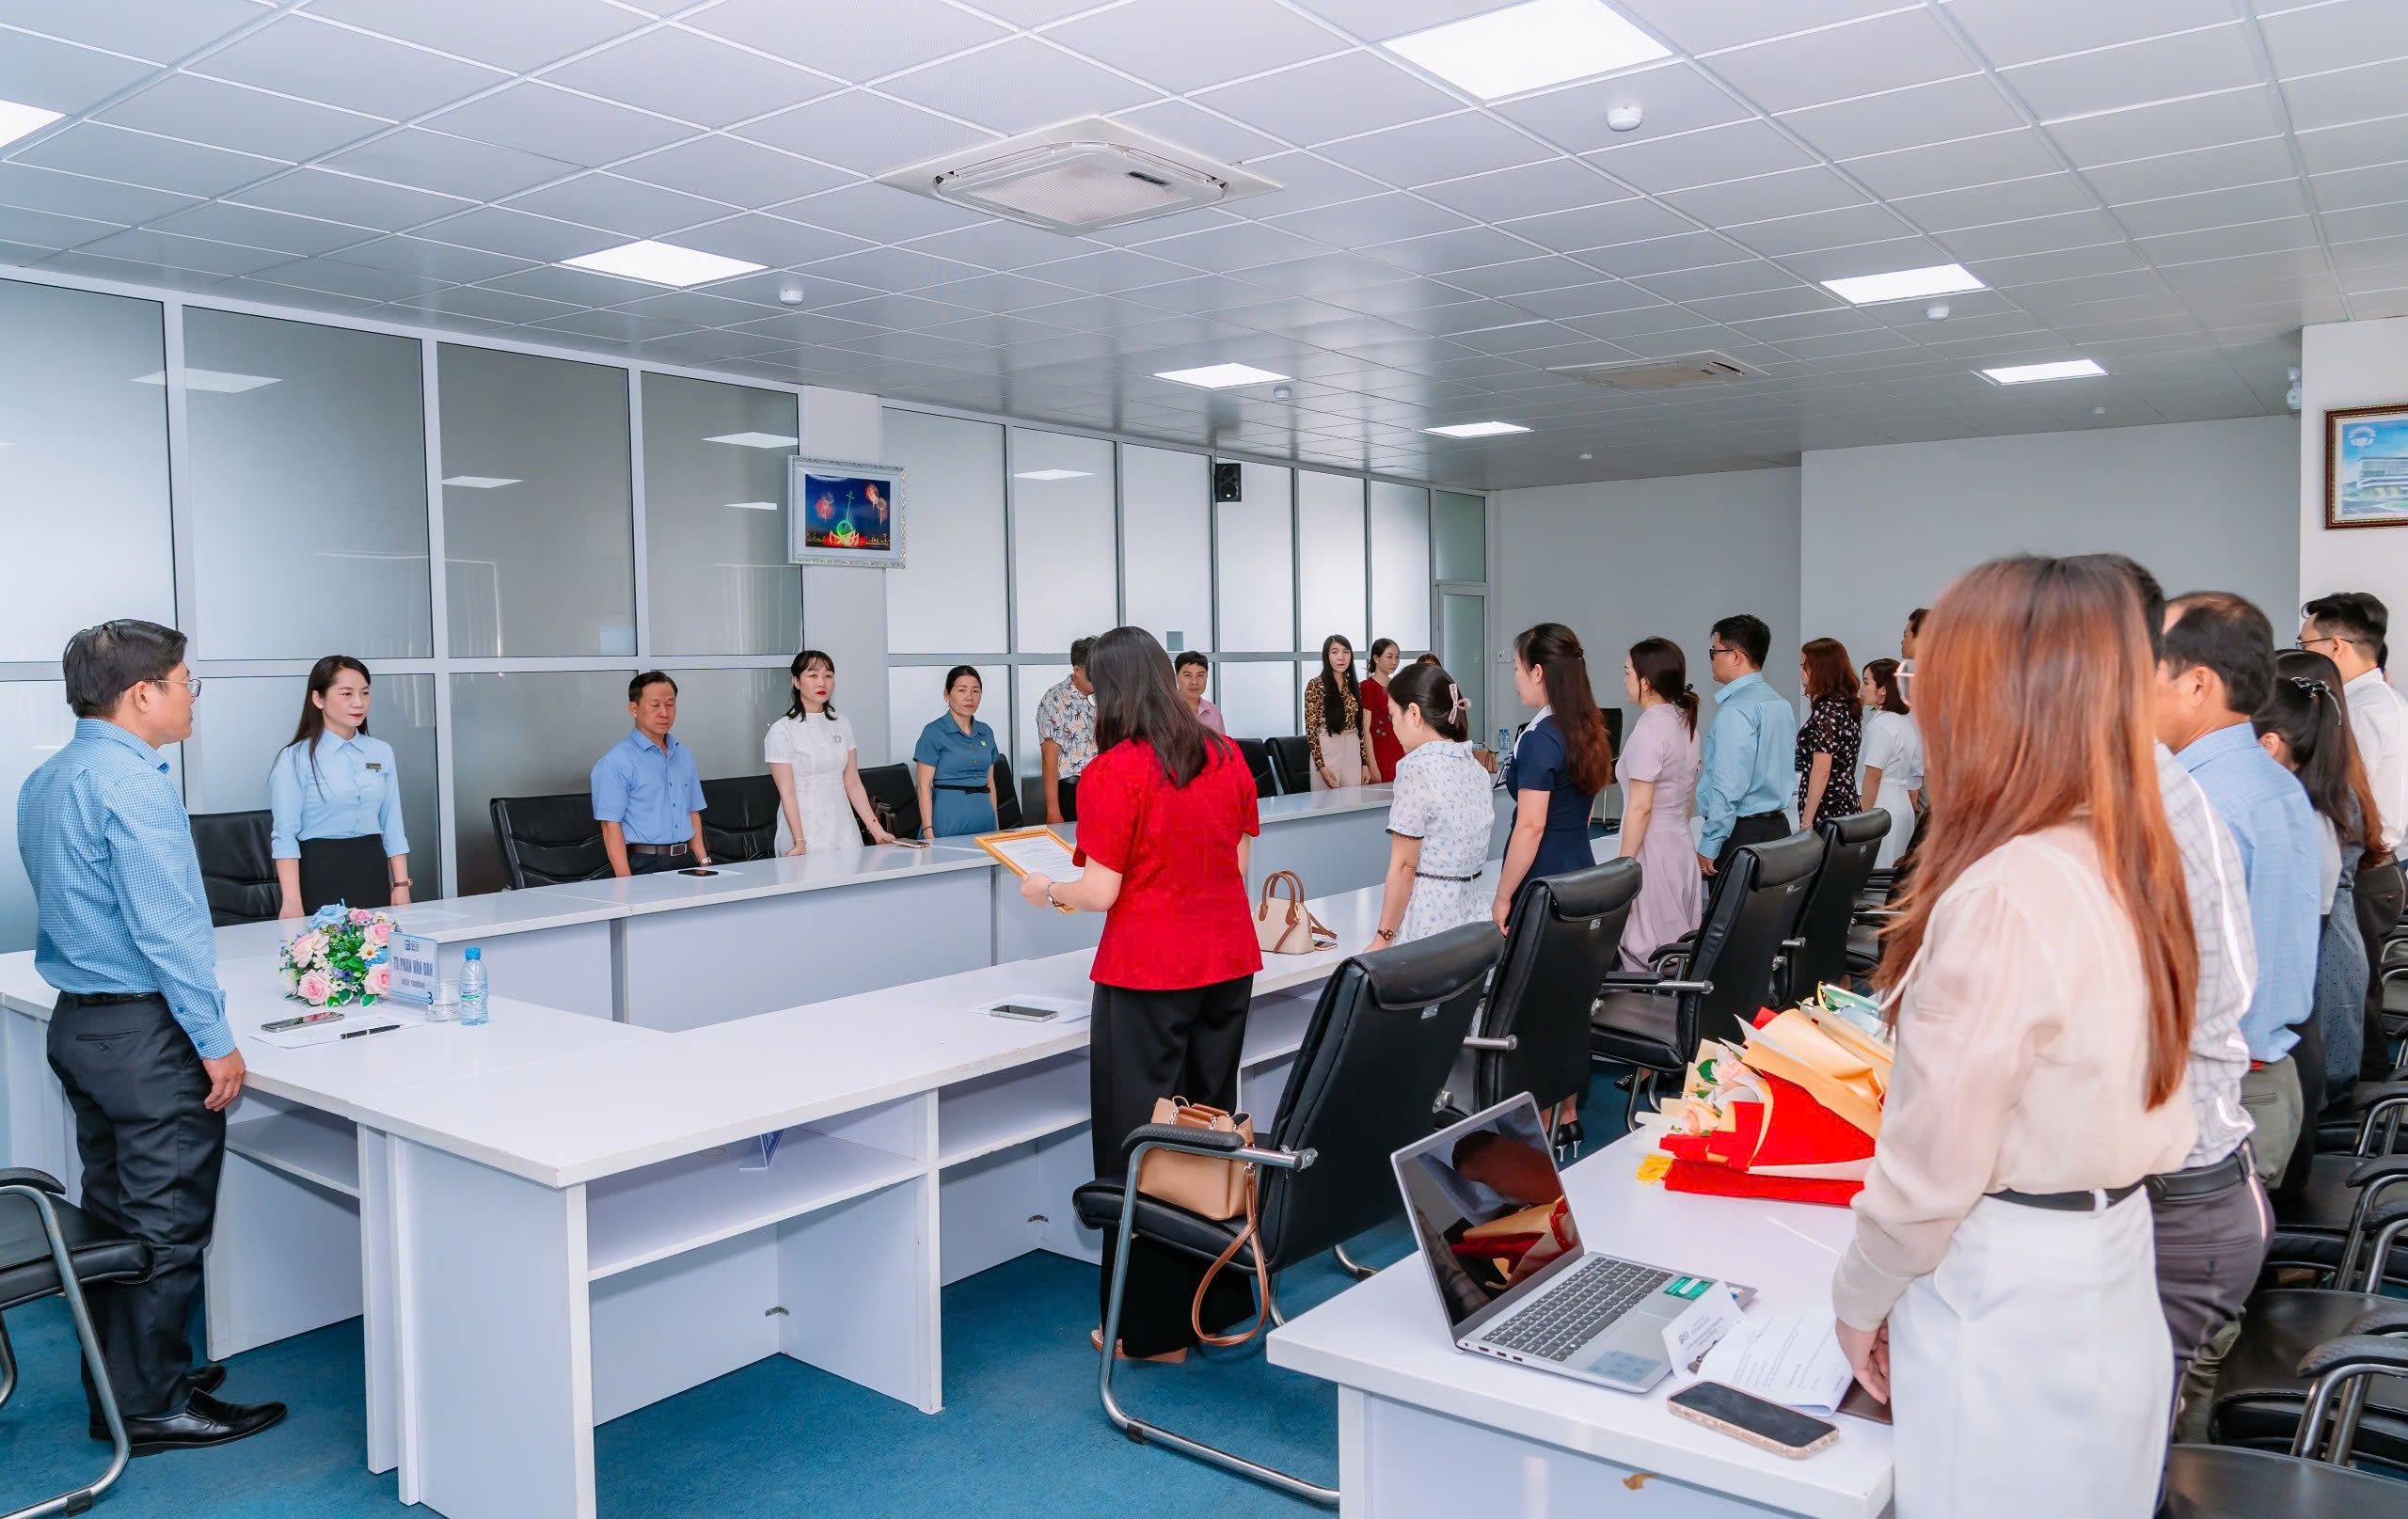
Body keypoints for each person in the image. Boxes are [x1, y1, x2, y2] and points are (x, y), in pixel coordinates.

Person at [1831, 557, 2196, 1518]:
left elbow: (1929, 1172)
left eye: (1931, 681)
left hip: (2008, 1302)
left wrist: (1859, 1296)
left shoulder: (2005, 891)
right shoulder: (2126, 853)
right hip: (2110, 1261)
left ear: (1992, 703)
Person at [17, 620, 285, 1452]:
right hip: (144, 1033)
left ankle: (128, 1377)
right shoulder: (134, 784)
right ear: (142, 694)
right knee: (165, 1222)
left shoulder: (47, 777)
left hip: (82, 1027)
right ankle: (151, 1405)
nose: (191, 697)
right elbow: (167, 929)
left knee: (116, 1217)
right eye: (183, 682)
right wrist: (214, 1037)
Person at [1012, 626, 1262, 1362]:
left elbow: (1100, 889)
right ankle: (1212, 1305)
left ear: (1112, 691)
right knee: (1208, 1133)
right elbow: (1240, 861)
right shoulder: (1225, 753)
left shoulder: (1113, 770)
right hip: (1226, 964)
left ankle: (1149, 1332)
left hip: (1148, 973)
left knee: (1142, 1148)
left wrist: (1046, 888)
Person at [2080, 553, 2264, 1445]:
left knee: (2124, 1460)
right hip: (2195, 1170)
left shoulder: (2145, 794)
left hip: (2180, 1195)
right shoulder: (2155, 782)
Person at [2155, 593, 2321, 1187]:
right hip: (2269, 1076)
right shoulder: (2274, 782)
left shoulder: (2194, 801)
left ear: (2198, 684)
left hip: (2212, 1094)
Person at [2257, 650, 2384, 1130]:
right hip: (2332, 946)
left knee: (2316, 1088)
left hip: (2325, 955)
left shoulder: (2309, 807)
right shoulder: (2327, 786)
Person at [2299, 591, 2406, 1081]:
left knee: (2348, 995)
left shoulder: (2359, 711)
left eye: (2304, 644)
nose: (2301, 655)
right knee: (2356, 993)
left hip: (2363, 870)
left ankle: (2360, 1101)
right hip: (2377, 869)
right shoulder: (2378, 700)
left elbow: (2346, 804)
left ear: (2335, 646)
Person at [1494, 622, 1615, 933]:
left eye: (1517, 668)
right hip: (1581, 867)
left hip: (1543, 878)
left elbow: (1531, 827)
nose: (1515, 678)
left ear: (1537, 672)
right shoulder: (1588, 728)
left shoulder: (1540, 739)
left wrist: (1503, 896)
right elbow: (1586, 810)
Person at [268, 654, 409, 916]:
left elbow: (392, 822)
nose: (358, 702)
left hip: (371, 868)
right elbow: (284, 835)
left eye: (364, 693)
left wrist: (401, 884)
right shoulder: (295, 758)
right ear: (318, 699)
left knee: (378, 940)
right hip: (319, 871)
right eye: (346, 694)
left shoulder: (381, 751)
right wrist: (291, 900)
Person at [1367, 661, 1490, 951]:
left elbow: (1404, 866)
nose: (1392, 725)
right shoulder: (1475, 767)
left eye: (1393, 715)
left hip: (1429, 925)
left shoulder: (1415, 769)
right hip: (1475, 920)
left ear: (1413, 713)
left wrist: (1383, 937)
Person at [1615, 637, 1703, 972]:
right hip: (1679, 845)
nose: (1624, 679)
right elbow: (1688, 795)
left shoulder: (1650, 729)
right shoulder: (1685, 723)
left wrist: (1623, 870)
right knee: (1677, 947)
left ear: (1645, 682)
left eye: (1628, 672)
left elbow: (1641, 808)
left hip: (1652, 851)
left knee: (1648, 948)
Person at [1694, 613, 1798, 878]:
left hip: (1741, 836)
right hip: (1778, 829)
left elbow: (1729, 785)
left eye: (1714, 651)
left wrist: (1710, 841)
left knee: (1730, 906)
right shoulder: (1780, 703)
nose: (1711, 659)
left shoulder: (1737, 709)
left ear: (1736, 656)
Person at [765, 649, 893, 855]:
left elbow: (853, 782)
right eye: (813, 675)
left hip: (842, 823)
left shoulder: (842, 724)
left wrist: (878, 831)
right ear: (796, 682)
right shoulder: (782, 730)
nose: (822, 682)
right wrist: (799, 842)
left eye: (828, 676)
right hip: (802, 825)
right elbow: (787, 792)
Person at [593, 672, 709, 877]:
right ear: (634, 709)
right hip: (644, 863)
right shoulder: (616, 761)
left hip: (687, 860)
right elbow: (610, 826)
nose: (664, 713)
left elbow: (692, 812)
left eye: (670, 704)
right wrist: (625, 881)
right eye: (655, 705)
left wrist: (704, 862)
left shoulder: (683, 754)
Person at [913, 665, 1000, 840]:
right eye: (962, 690)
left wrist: (996, 826)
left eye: (975, 691)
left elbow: (990, 782)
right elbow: (923, 786)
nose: (969, 697)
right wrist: (928, 830)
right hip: (947, 820)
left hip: (985, 820)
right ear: (947, 694)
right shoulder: (933, 732)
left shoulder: (986, 732)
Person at [1857, 658, 1922, 869]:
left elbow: (1873, 775)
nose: (1861, 688)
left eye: (1866, 682)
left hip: (1882, 804)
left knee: (1878, 868)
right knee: (1894, 870)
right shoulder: (1903, 721)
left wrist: (1863, 818)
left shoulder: (1881, 726)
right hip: (1901, 803)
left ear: (1883, 690)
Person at [1796, 638, 1862, 832]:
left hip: (1827, 811)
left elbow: (1822, 770)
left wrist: (1807, 821)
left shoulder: (1828, 711)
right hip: (1845, 804)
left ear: (1820, 671)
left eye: (1804, 667)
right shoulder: (1845, 705)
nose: (1800, 674)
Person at [1304, 633, 1379, 787]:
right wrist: (1320, 766)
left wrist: (1364, 763)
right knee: (1325, 799)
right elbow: (1311, 729)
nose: (1341, 657)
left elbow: (1359, 726)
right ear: (1327, 656)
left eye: (1346, 652)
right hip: (1327, 746)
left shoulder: (1354, 685)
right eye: (1335, 652)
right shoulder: (1315, 685)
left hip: (1352, 746)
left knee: (1353, 798)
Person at [1038, 638, 1100, 825]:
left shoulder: (1105, 695)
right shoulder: (1055, 699)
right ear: (1077, 670)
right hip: (1073, 790)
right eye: (1093, 674)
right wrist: (1053, 810)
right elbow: (1049, 758)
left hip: (1104, 788)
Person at [1362, 637, 1405, 783]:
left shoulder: (1398, 686)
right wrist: (1372, 765)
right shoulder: (1367, 687)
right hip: (1379, 753)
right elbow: (1365, 729)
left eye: (1397, 657)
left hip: (1400, 751)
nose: (1394, 662)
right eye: (1389, 657)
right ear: (1376, 658)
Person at [1175, 650, 1225, 736]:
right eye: (1187, 675)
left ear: (1206, 677)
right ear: (1176, 677)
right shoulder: (1165, 710)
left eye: (1200, 675)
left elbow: (1222, 742)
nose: (1194, 682)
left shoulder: (1213, 710)